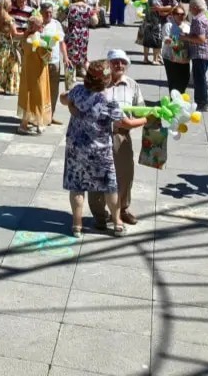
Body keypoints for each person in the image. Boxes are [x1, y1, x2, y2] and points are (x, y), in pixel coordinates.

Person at [61, 60, 145, 237]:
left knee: (77, 186)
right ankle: (117, 224)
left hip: (76, 149)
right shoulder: (109, 101)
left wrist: (71, 106)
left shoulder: (77, 91)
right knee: (109, 187)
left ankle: (77, 225)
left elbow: (63, 98)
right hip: (100, 151)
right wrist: (148, 119)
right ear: (106, 80)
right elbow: (126, 123)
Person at [88, 50, 145, 227]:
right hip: (99, 136)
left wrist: (149, 118)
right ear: (108, 65)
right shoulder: (100, 85)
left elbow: (140, 109)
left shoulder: (132, 85)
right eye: (114, 62)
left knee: (125, 173)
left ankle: (122, 209)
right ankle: (99, 214)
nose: (119, 65)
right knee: (98, 175)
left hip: (122, 136)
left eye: (122, 62)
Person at [17, 14, 54, 134]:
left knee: (28, 96)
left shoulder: (25, 37)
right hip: (38, 73)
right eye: (40, 24)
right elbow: (45, 58)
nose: (42, 25)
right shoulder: (37, 39)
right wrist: (50, 48)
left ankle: (24, 124)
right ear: (36, 26)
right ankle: (39, 123)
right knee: (39, 96)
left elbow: (22, 50)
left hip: (27, 72)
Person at [180, 0, 208, 112]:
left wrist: (185, 37)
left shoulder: (198, 20)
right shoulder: (204, 18)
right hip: (205, 52)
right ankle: (202, 101)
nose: (189, 9)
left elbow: (201, 39)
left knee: (199, 79)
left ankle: (202, 103)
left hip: (200, 53)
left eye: (190, 7)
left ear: (195, 7)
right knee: (200, 78)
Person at [161, 6, 191, 94]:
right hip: (170, 57)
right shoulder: (168, 26)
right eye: (178, 14)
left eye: (182, 14)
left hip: (184, 58)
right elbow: (166, 39)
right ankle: (173, 101)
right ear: (173, 15)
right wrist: (179, 42)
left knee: (185, 78)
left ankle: (181, 98)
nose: (180, 16)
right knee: (174, 81)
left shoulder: (187, 26)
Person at [65, 0, 94, 76]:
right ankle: (92, 74)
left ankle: (70, 77)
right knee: (83, 55)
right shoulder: (89, 7)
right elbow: (95, 21)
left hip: (73, 32)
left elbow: (61, 17)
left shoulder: (70, 7)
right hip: (84, 33)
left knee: (71, 56)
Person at [141, 0, 168, 65]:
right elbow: (160, 11)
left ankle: (145, 58)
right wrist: (169, 11)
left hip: (147, 23)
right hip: (155, 23)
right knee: (157, 41)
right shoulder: (156, 0)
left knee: (146, 41)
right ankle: (155, 59)